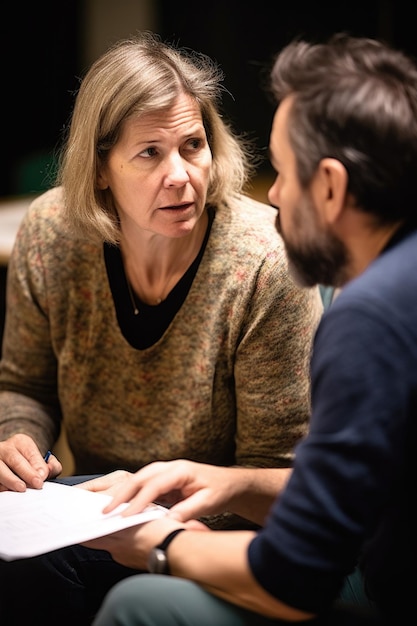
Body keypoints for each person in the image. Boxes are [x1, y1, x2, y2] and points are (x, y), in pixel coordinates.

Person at [74, 33, 416, 626]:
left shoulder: (371, 320)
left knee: (138, 604)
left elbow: (297, 575)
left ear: (331, 186)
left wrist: (162, 545)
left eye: (283, 172)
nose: (275, 196)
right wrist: (231, 484)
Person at [0, 31, 322, 624]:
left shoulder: (263, 262)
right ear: (100, 170)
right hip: (89, 517)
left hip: (208, 542)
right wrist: (20, 447)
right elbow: (24, 385)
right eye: (149, 153)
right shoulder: (50, 233)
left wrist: (177, 525)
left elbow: (284, 479)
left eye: (193, 145)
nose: (181, 175)